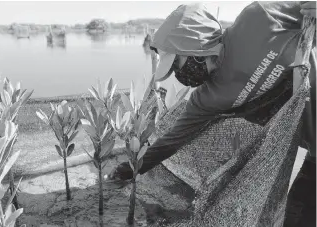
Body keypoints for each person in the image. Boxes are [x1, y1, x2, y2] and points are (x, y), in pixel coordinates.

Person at [105, 2, 316, 226]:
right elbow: (171, 141)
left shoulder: (259, 18)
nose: (178, 74)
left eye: (177, 63)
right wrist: (128, 170)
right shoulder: (206, 99)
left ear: (195, 45)